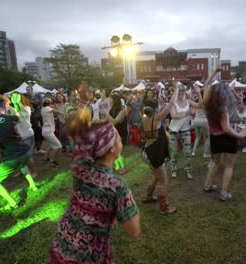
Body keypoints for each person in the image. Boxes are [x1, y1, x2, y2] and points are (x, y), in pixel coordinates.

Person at [50, 107, 140, 264]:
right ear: (113, 148)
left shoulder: (80, 165)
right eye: (117, 137)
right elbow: (134, 231)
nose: (120, 139)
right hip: (88, 255)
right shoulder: (117, 185)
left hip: (61, 245)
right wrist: (127, 204)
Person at [0, 94, 38, 210]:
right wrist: (12, 105)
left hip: (13, 157)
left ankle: (12, 203)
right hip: (26, 151)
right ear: (5, 105)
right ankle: (33, 185)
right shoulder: (11, 118)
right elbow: (18, 115)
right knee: (22, 165)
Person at [203, 66, 246, 201]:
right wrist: (241, 135)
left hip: (214, 138)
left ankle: (208, 185)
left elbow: (206, 85)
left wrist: (214, 73)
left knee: (215, 162)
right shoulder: (222, 107)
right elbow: (227, 128)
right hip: (226, 138)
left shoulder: (207, 103)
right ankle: (224, 193)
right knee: (228, 166)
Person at [141, 85, 179, 214]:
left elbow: (154, 107)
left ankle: (148, 196)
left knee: (157, 175)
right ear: (155, 108)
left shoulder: (144, 118)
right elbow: (171, 104)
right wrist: (177, 88)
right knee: (164, 180)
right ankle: (164, 207)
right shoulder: (156, 119)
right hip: (155, 152)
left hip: (148, 150)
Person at [10, 92, 38, 178]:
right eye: (12, 97)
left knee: (27, 156)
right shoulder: (12, 109)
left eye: (16, 97)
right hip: (17, 136)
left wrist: (18, 103)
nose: (13, 98)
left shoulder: (26, 108)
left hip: (27, 135)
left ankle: (34, 172)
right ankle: (23, 171)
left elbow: (26, 114)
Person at [169, 85, 193, 179]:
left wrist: (199, 93)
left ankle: (188, 170)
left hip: (185, 130)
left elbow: (200, 105)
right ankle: (174, 169)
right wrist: (185, 114)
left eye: (183, 90)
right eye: (180, 90)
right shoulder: (173, 103)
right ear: (177, 92)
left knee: (187, 152)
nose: (181, 92)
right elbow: (173, 116)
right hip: (174, 130)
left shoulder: (188, 102)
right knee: (174, 152)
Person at [41, 97, 63, 166]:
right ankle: (52, 160)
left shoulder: (43, 109)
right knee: (59, 146)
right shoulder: (47, 109)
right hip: (48, 132)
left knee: (51, 145)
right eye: (51, 102)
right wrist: (63, 113)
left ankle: (45, 158)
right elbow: (57, 111)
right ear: (49, 103)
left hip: (46, 131)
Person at [190, 84, 210, 158]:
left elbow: (190, 103)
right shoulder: (206, 103)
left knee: (198, 136)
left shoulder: (197, 104)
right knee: (207, 138)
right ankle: (205, 153)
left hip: (196, 121)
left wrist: (189, 98)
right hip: (204, 121)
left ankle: (193, 152)